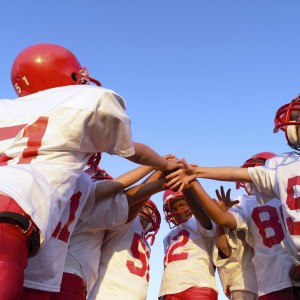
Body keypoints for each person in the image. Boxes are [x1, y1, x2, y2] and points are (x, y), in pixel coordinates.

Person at [0, 42, 181, 299]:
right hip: (13, 217)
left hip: (34, 251)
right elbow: (128, 149)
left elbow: (101, 191)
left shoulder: (10, 113)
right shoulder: (82, 101)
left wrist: (157, 183)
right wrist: (162, 165)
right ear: (71, 73)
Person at [165, 94, 300, 266]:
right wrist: (196, 173)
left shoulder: (281, 169)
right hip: (275, 279)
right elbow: (235, 174)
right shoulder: (279, 170)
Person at [168, 151, 300, 299]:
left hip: (269, 282)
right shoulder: (286, 192)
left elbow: (222, 219)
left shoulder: (247, 202)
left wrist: (193, 182)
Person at [22, 163, 159, 299]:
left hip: (31, 272)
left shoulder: (53, 194)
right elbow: (126, 198)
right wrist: (158, 171)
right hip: (68, 275)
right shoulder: (88, 205)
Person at [87, 200, 161, 300]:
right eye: (145, 208)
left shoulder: (145, 243)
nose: (147, 214)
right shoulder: (127, 223)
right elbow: (129, 212)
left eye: (150, 212)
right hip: (110, 293)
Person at [158, 188, 218, 300]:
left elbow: (200, 213)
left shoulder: (200, 221)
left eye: (182, 204)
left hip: (197, 285)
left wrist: (186, 186)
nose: (178, 210)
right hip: (168, 289)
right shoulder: (167, 238)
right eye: (174, 208)